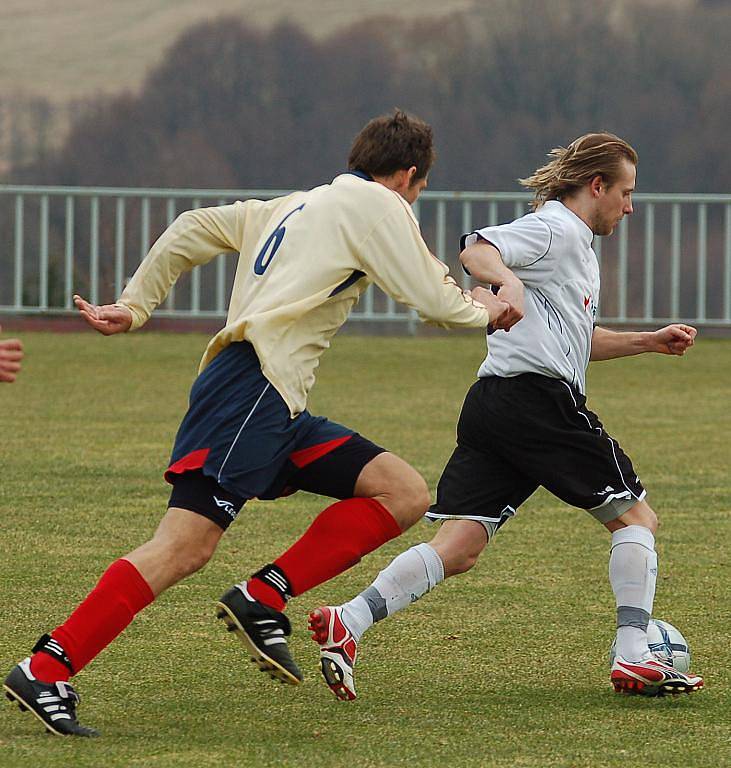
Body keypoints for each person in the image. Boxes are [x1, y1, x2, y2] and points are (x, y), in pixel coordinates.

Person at [3, 110, 512, 737]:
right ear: (410, 176)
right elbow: (436, 299)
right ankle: (49, 666)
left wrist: (137, 303)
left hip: (274, 401)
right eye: (419, 187)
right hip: (252, 391)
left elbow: (192, 228)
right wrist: (487, 309)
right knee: (183, 547)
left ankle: (263, 596)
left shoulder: (295, 204)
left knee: (401, 490)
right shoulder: (381, 206)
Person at [309, 132, 705, 701]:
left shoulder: (575, 248)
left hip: (496, 403)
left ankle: (351, 620)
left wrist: (651, 340)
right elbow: (476, 248)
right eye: (625, 192)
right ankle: (636, 653)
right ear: (596, 186)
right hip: (537, 403)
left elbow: (576, 340)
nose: (630, 206)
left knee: (461, 544)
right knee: (636, 518)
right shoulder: (557, 229)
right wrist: (507, 279)